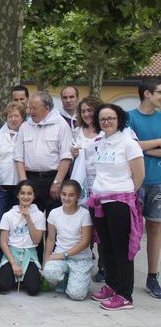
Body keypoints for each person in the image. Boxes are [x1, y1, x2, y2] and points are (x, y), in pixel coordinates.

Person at [89, 104, 144, 311]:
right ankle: (112, 285)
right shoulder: (101, 142)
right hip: (99, 201)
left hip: (120, 202)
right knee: (106, 246)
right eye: (103, 119)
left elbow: (139, 175)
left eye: (111, 118)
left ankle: (125, 295)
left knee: (121, 248)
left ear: (119, 119)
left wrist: (124, 193)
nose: (107, 122)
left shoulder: (129, 143)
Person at [126, 78, 161, 299]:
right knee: (130, 229)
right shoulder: (129, 117)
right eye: (160, 92)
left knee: (155, 228)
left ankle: (152, 276)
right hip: (134, 182)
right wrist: (157, 142)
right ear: (147, 93)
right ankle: (123, 274)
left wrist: (142, 148)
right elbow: (129, 145)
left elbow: (136, 147)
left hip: (158, 181)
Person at [14, 91, 73, 216]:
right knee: (30, 219)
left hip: (54, 178)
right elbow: (19, 157)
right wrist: (24, 182)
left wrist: (57, 182)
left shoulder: (61, 125)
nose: (31, 111)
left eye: (35, 108)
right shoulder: (25, 127)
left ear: (47, 108)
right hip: (31, 179)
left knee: (54, 218)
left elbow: (66, 156)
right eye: (30, 108)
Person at [0, 102, 26, 267]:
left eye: (17, 116)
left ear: (22, 118)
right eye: (10, 116)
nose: (13, 119)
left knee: (18, 220)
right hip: (1, 185)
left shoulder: (26, 134)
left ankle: (15, 254)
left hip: (20, 186)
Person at [71, 96, 105, 282]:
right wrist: (73, 153)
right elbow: (70, 154)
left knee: (102, 225)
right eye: (83, 111)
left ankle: (103, 265)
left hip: (102, 184)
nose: (86, 114)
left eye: (90, 110)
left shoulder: (106, 130)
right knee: (84, 224)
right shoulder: (77, 131)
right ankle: (85, 260)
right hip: (83, 184)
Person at [42, 180, 93, 301]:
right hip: (60, 256)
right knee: (49, 272)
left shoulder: (85, 214)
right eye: (63, 194)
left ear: (78, 197)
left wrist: (64, 254)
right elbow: (50, 239)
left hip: (80, 258)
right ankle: (65, 278)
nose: (66, 198)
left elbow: (85, 242)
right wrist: (46, 261)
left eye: (71, 195)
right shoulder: (54, 213)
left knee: (76, 295)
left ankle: (84, 279)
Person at [0, 180, 46, 296]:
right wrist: (13, 264)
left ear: (34, 196)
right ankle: (13, 277)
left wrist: (28, 219)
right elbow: (3, 242)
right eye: (22, 193)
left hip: (29, 254)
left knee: (33, 290)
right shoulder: (8, 215)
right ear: (17, 195)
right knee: (3, 287)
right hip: (12, 253)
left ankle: (23, 278)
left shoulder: (39, 215)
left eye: (29, 193)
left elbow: (37, 240)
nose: (26, 197)